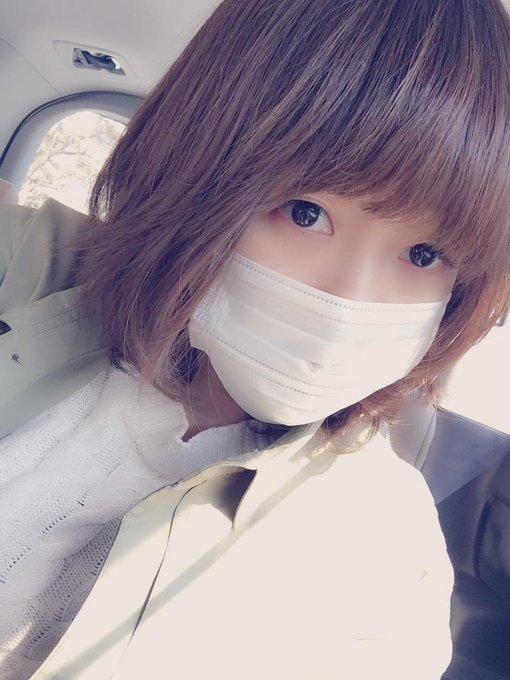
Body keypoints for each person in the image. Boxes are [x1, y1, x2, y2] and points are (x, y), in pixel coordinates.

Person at [1, 0, 510, 677]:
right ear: (196, 168)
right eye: (305, 212)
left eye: (425, 255)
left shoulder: (389, 550)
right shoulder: (24, 266)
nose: (350, 299)